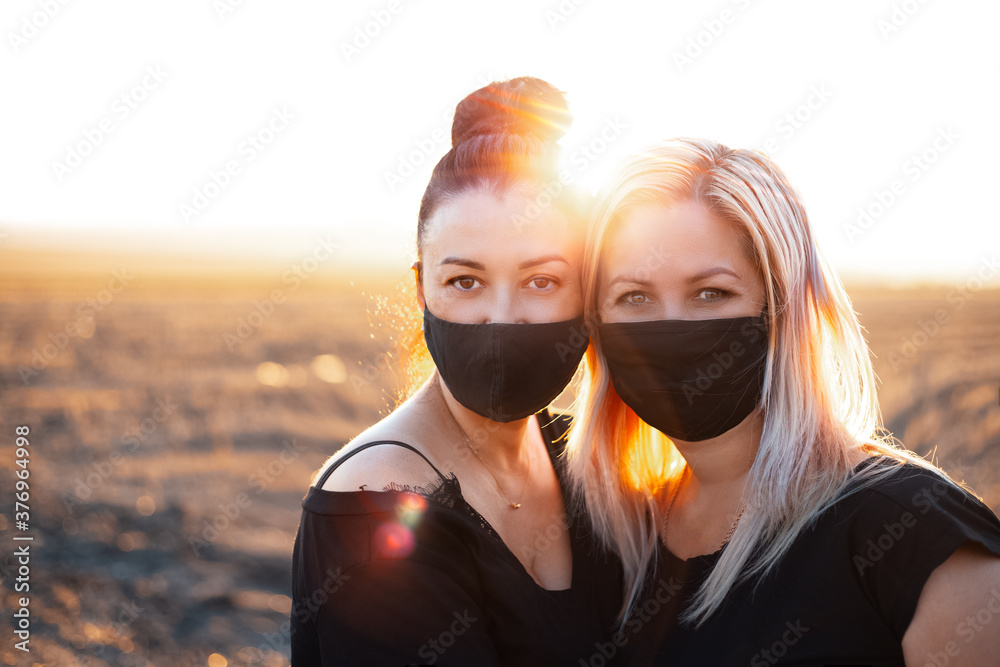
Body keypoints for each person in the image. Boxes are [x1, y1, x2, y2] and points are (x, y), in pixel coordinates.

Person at [566, 138, 1000, 665]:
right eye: (634, 297)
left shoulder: (912, 536)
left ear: (781, 311)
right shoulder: (614, 536)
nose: (671, 327)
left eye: (711, 293)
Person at [290, 77, 625, 666]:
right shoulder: (375, 508)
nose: (502, 319)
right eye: (465, 282)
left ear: (587, 294)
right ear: (422, 289)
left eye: (541, 281)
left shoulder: (582, 460)